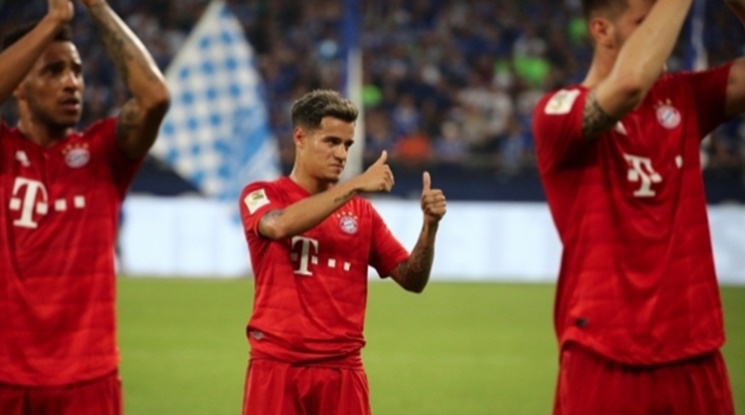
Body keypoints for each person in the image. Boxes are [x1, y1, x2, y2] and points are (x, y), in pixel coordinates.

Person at [531, 0, 742, 413]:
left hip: (695, 350)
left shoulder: (684, 97)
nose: (663, 35)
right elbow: (629, 83)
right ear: (602, 31)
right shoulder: (557, 113)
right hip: (605, 351)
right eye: (645, 23)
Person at [0, 0, 169, 414]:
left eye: (76, 71)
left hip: (88, 380)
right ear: (19, 85)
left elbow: (155, 97)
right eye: (53, 71)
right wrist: (54, 19)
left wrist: (95, 6)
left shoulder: (102, 152)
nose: (72, 83)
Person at [238, 89, 446, 415]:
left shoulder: (362, 215)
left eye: (347, 145)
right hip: (277, 366)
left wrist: (430, 228)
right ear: (300, 137)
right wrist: (355, 184)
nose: (341, 154)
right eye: (332, 142)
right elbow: (279, 226)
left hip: (343, 371)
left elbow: (412, 278)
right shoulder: (261, 194)